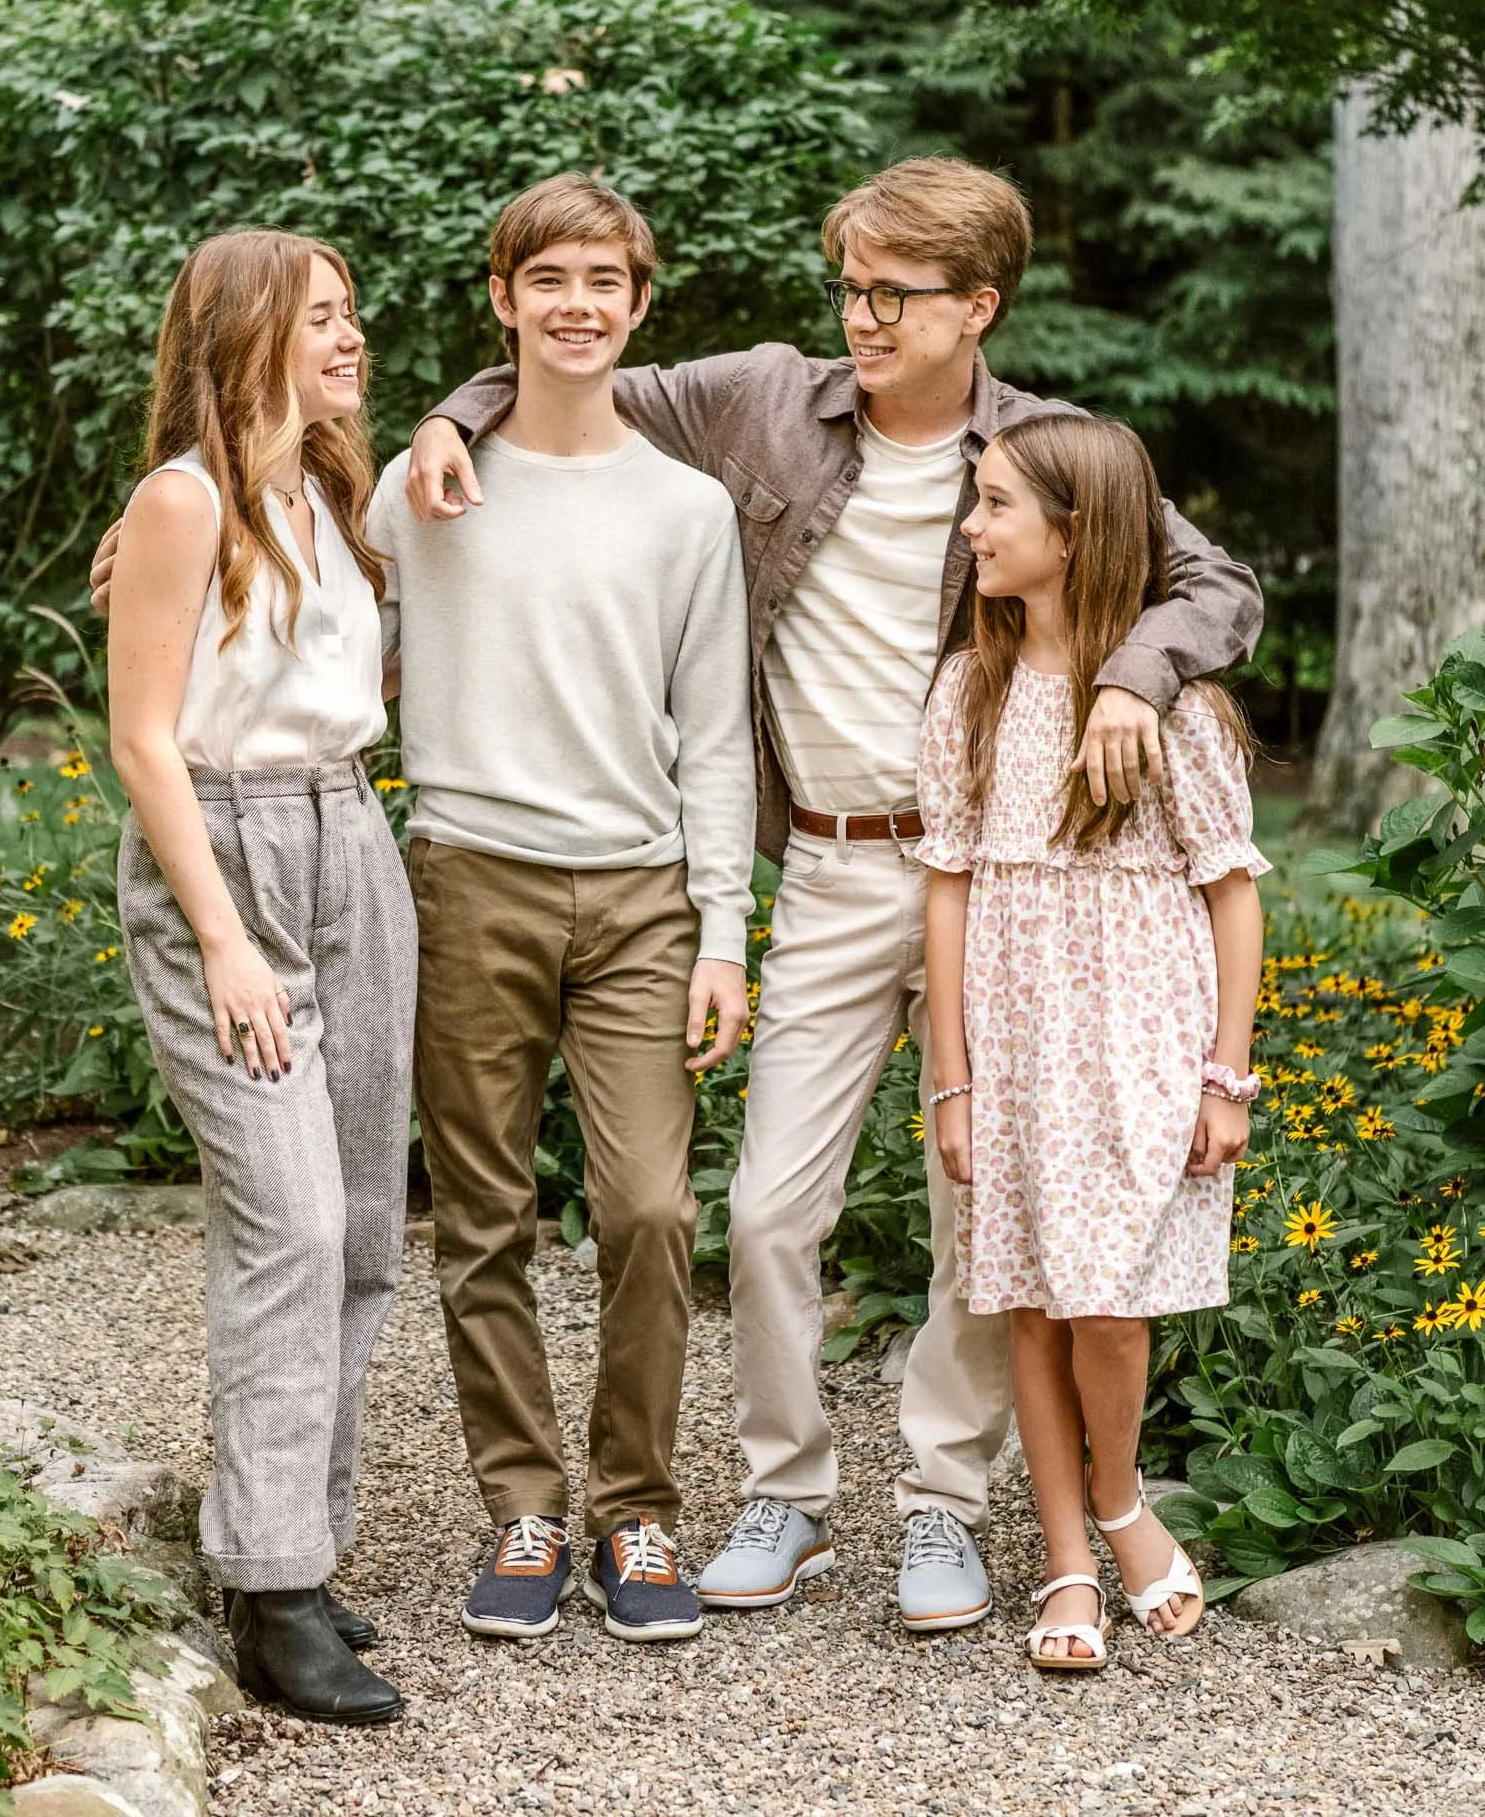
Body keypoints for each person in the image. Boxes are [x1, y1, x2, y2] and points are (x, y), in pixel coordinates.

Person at [404, 157, 1264, 1630]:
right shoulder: (760, 401)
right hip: (826, 858)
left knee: (971, 1207)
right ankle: (788, 1490)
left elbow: (1217, 588)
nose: (859, 317)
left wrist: (1131, 676)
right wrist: (449, 411)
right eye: (849, 288)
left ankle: (941, 1504)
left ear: (977, 306)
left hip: (1001, 882)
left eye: (892, 294)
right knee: (764, 1209)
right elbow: (572, 365)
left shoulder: (1044, 450)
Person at [367, 174, 755, 1644]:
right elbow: (328, 629)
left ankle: (638, 1513)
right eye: (550, 280)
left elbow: (714, 734)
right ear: (502, 300)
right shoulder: (425, 491)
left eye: (605, 281)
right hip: (470, 877)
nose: (577, 304)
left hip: (644, 895)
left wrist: (724, 929)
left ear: (639, 308)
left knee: (650, 1209)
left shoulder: (688, 509)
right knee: (484, 1219)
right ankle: (524, 1510)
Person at [107, 229, 414, 1725]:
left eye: (353, 316)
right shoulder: (181, 502)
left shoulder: (330, 491)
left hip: (350, 836)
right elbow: (142, 736)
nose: (352, 340)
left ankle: (300, 1551)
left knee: (359, 1226)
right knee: (286, 1221)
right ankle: (268, 1594)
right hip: (224, 857)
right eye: (324, 320)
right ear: (246, 336)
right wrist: (224, 934)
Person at [917, 412, 1266, 1671]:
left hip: (1140, 1037)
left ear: (1072, 532)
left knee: (1110, 1304)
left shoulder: (1177, 712)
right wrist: (950, 1077)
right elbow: (948, 883)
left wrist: (1227, 1072)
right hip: (1014, 1034)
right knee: (1032, 1294)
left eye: (996, 505)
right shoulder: (971, 690)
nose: (972, 526)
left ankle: (1119, 1500)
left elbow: (1232, 890)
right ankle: (1067, 1554)